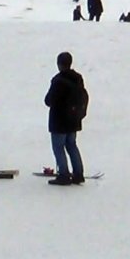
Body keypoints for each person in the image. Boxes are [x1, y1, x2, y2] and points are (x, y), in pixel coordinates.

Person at [44, 52, 87, 185]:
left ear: (59, 64)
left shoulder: (57, 81)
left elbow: (48, 100)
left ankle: (63, 175)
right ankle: (78, 174)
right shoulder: (78, 78)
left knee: (58, 147)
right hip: (73, 120)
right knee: (72, 145)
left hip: (59, 122)